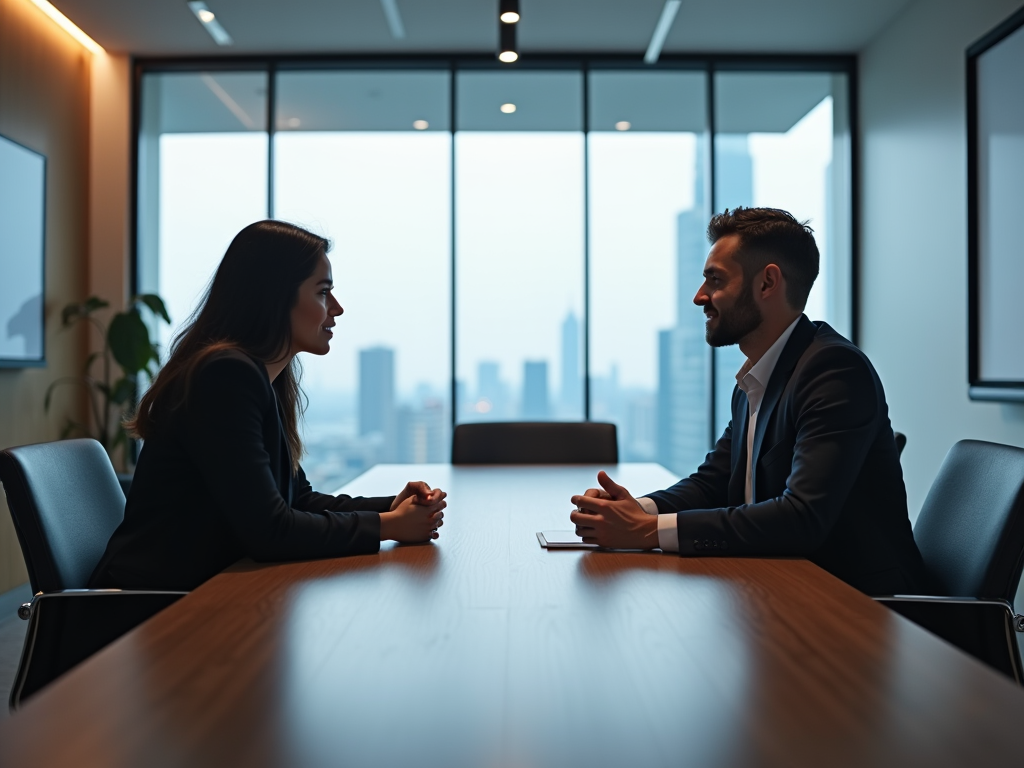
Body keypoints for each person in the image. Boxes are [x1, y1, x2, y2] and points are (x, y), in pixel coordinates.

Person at [569, 207, 930, 596]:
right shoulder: (758, 378)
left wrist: (648, 531)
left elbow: (802, 517)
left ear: (767, 283)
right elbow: (714, 483)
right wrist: (634, 510)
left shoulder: (834, 370)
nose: (699, 296)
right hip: (785, 593)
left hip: (864, 611)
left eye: (715, 280)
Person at [90, 220, 446, 592]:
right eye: (323, 293)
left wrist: (391, 507)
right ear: (276, 296)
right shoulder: (225, 375)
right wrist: (388, 526)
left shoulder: (258, 377)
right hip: (152, 610)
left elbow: (298, 499)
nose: (337, 309)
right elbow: (269, 530)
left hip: (202, 589)